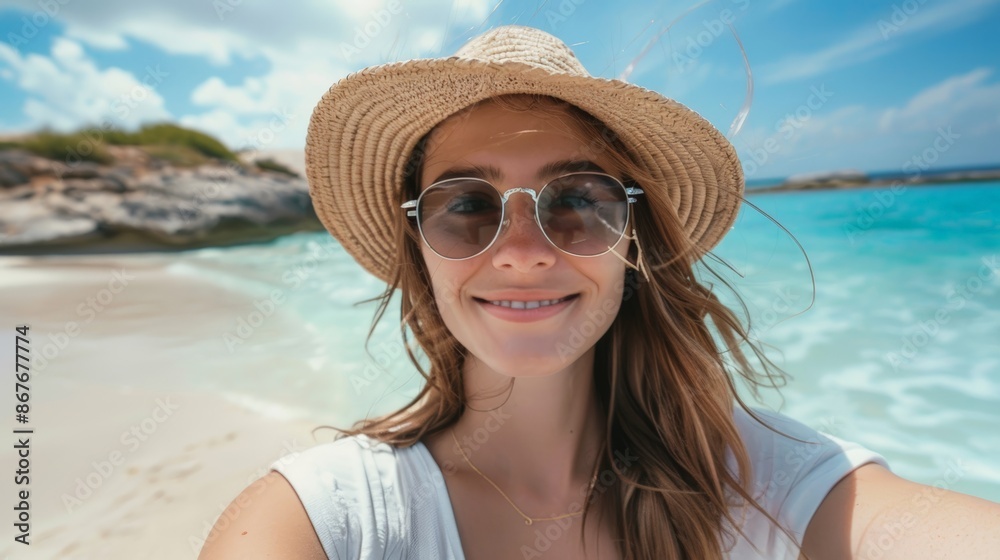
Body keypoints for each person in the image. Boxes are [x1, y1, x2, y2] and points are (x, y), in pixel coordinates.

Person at [198, 25, 1000, 560]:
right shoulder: (326, 520)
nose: (520, 254)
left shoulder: (768, 485)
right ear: (418, 244)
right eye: (467, 207)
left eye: (577, 203)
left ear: (634, 238)